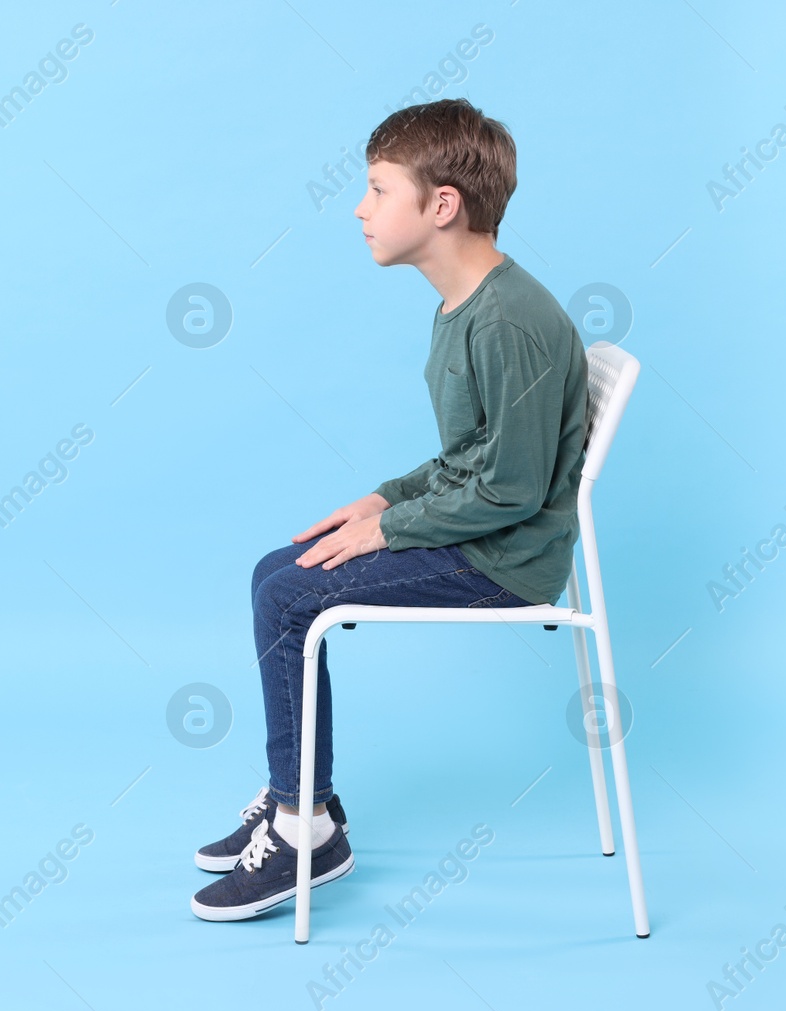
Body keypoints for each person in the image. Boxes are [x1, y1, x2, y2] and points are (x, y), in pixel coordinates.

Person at [191, 99, 589, 921]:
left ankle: (305, 828)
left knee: (288, 592)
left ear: (441, 205)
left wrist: (391, 528)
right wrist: (386, 497)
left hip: (505, 560)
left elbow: (510, 490)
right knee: (278, 569)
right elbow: (470, 456)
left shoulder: (508, 319)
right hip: (481, 532)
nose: (361, 210)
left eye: (377, 190)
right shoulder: (464, 306)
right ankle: (305, 803)